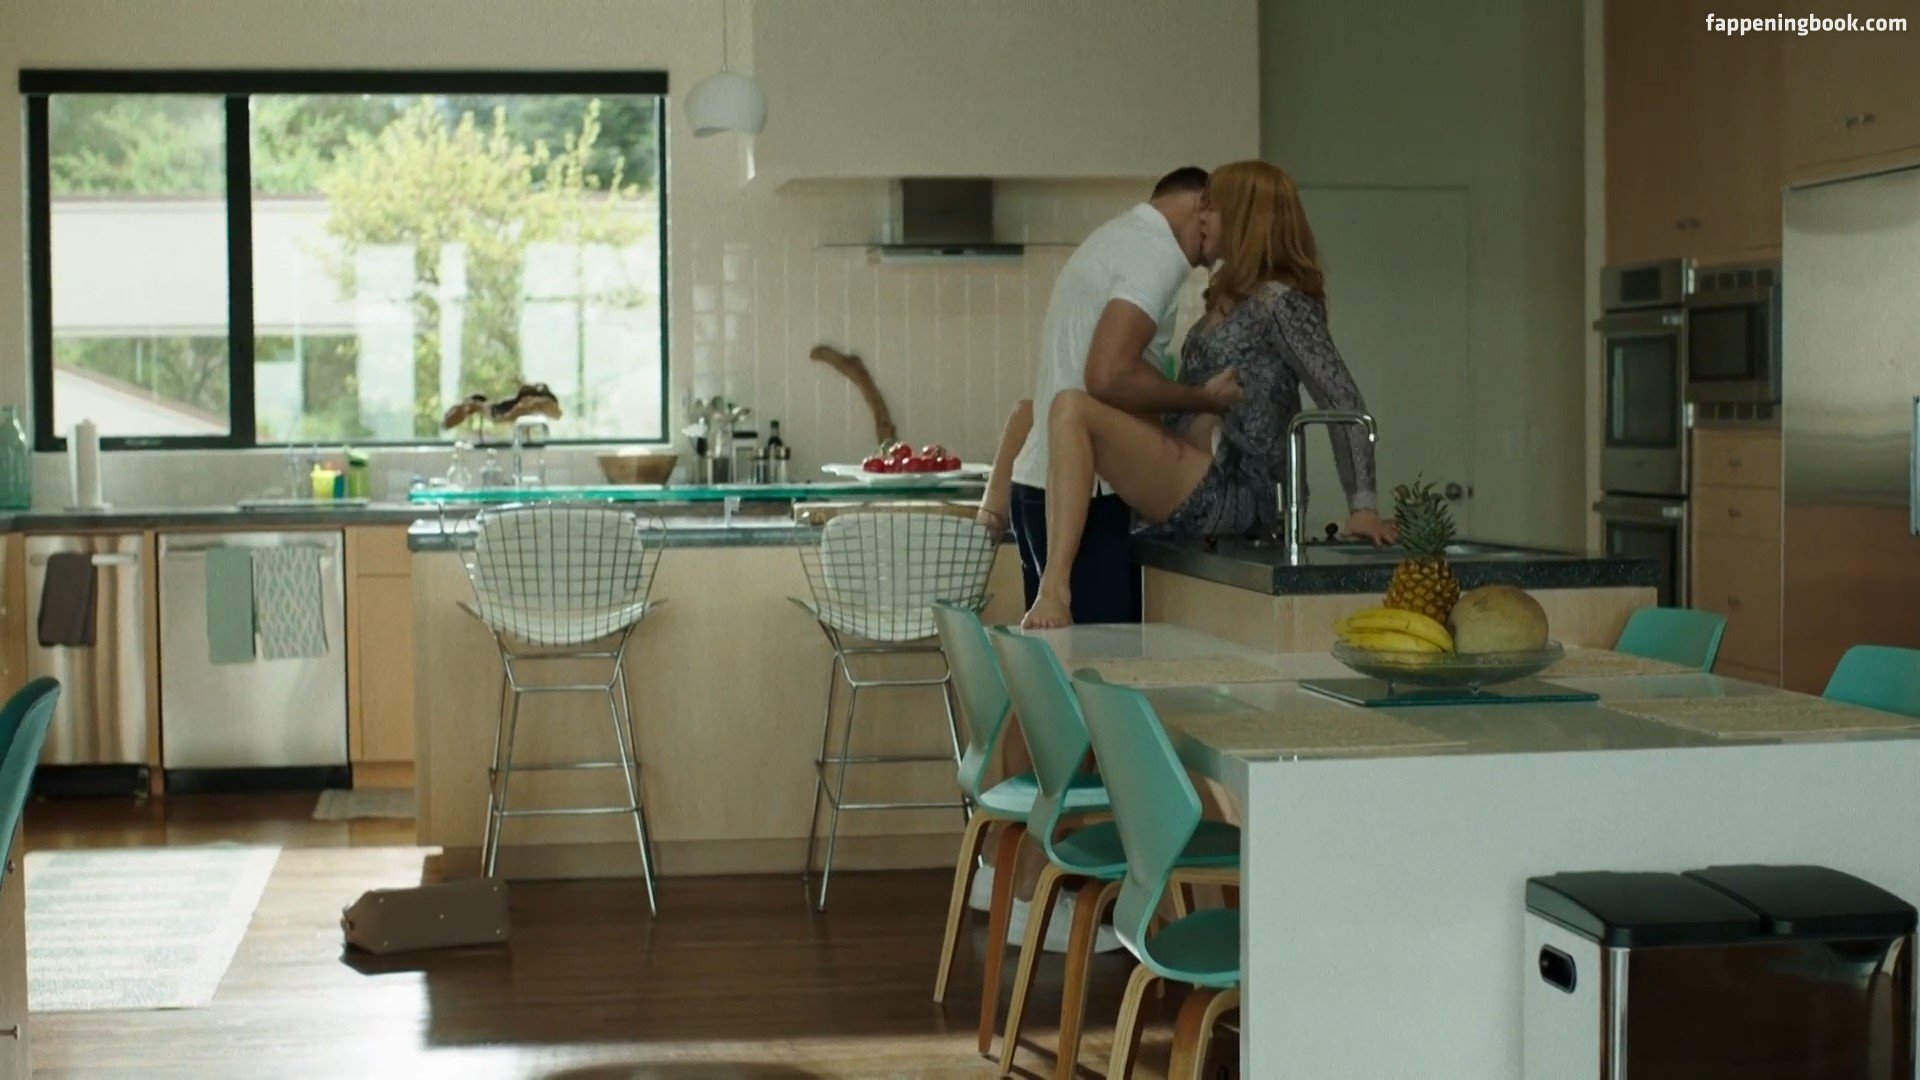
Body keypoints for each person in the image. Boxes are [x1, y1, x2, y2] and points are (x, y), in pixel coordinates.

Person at [1020, 160, 1396, 629]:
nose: (1202, 217)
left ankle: (1055, 588)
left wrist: (1363, 506)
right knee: (1057, 409)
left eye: (1213, 208)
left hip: (1239, 489)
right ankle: (1055, 582)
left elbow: (1341, 398)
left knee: (1071, 407)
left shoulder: (1281, 302)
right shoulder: (1225, 297)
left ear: (1243, 219)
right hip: (1202, 467)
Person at [977, 166, 1243, 625]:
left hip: (1039, 488)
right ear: (1203, 205)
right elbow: (1108, 375)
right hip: (1085, 494)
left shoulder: (1115, 239)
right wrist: (1200, 398)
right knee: (1101, 662)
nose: (1216, 257)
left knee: (1059, 661)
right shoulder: (1157, 254)